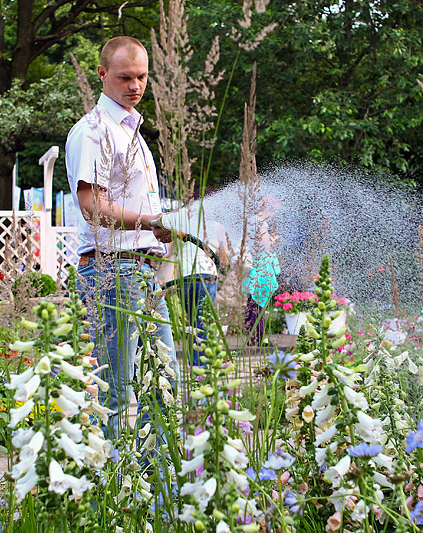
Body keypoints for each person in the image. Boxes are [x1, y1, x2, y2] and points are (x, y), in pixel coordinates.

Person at [65, 36, 178, 441]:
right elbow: (92, 205)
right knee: (113, 393)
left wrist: (160, 228)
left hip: (141, 272)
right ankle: (106, 490)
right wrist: (148, 222)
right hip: (111, 272)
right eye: (125, 77)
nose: (135, 86)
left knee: (163, 384)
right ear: (102, 75)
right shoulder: (94, 131)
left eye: (142, 76)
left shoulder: (133, 132)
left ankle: (156, 486)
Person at [156, 211, 231, 367]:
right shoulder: (217, 227)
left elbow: (168, 252)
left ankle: (194, 364)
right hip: (207, 278)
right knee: (204, 323)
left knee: (192, 325)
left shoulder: (180, 225)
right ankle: (202, 367)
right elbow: (224, 256)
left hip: (185, 279)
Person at [243, 195, 281, 345]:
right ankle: (258, 338)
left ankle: (252, 336)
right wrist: (273, 240)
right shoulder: (261, 223)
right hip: (261, 265)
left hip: (253, 264)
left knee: (252, 301)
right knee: (259, 303)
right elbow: (264, 247)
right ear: (268, 209)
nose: (273, 216)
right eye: (273, 212)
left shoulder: (250, 221)